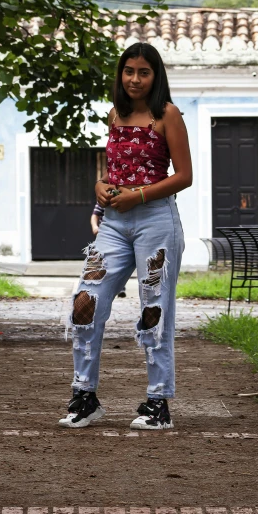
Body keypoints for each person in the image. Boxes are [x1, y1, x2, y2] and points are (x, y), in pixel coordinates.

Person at [60, 42, 192, 430]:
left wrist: (139, 196)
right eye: (129, 71)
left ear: (156, 76)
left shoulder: (167, 114)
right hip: (115, 224)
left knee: (155, 310)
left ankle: (158, 403)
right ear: (121, 74)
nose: (135, 79)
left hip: (156, 222)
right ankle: (85, 396)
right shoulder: (115, 114)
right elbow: (114, 168)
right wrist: (100, 188)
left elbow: (184, 176)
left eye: (144, 72)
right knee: (85, 301)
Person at [90, 202, 127, 297]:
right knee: (102, 261)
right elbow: (95, 215)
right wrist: (95, 227)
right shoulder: (104, 199)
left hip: (121, 235)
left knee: (120, 262)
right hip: (106, 235)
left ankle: (120, 287)